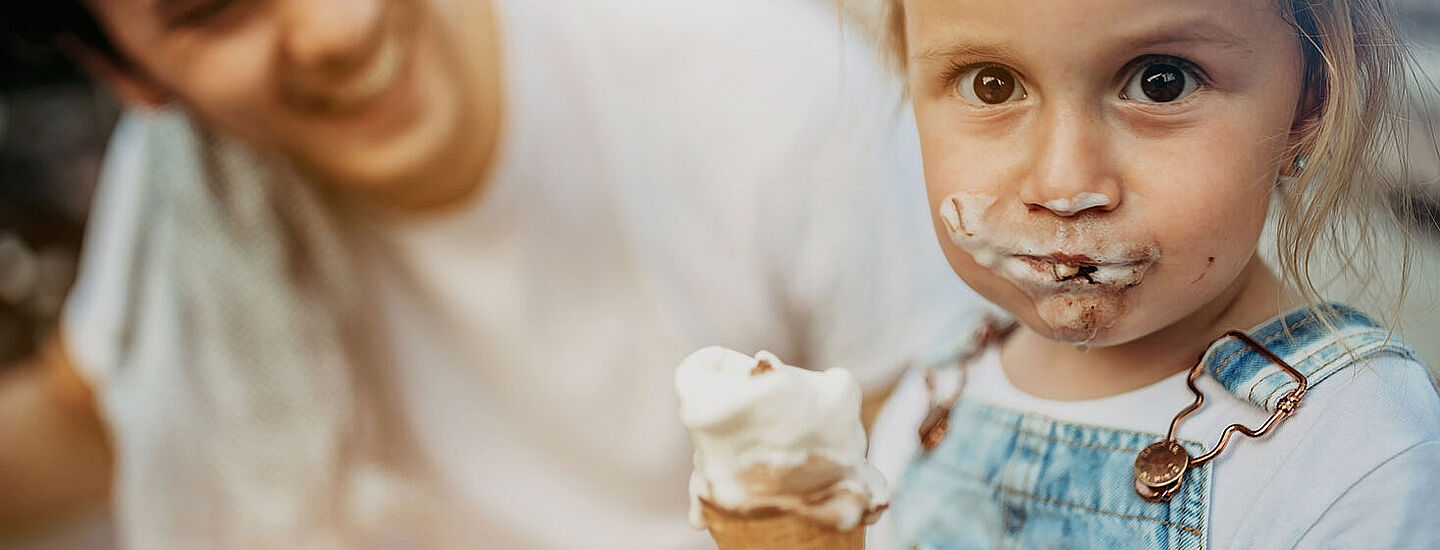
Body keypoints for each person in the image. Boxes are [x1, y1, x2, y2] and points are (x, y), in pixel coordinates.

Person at [0, 0, 988, 547]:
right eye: (218, 10)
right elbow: (91, 414)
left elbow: (944, 477)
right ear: (135, 79)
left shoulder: (772, 89)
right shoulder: (192, 185)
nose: (338, 26)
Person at [867, 0, 1440, 548]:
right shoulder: (938, 387)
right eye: (991, 83)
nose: (1064, 187)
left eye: (1161, 81)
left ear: (1307, 105)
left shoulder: (1360, 450)